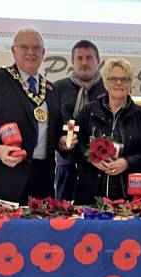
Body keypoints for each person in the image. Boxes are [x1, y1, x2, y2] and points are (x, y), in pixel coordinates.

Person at [0, 28, 72, 204]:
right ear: (14, 51)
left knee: (40, 231)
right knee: (1, 232)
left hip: (43, 182)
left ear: (43, 53)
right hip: (3, 177)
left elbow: (56, 129)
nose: (31, 52)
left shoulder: (52, 89)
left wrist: (62, 141)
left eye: (36, 48)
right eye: (24, 47)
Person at [73, 58, 141, 205]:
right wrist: (91, 158)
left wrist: (127, 162)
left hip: (132, 197)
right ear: (105, 83)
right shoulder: (88, 111)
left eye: (124, 79)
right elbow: (75, 147)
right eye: (113, 78)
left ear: (131, 83)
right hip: (90, 193)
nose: (119, 83)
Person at [54, 40, 106, 200]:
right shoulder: (57, 88)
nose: (84, 62)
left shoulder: (108, 88)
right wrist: (59, 140)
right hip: (66, 166)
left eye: (89, 58)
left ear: (98, 61)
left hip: (100, 168)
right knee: (63, 217)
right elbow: (51, 126)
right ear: (72, 62)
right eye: (79, 58)